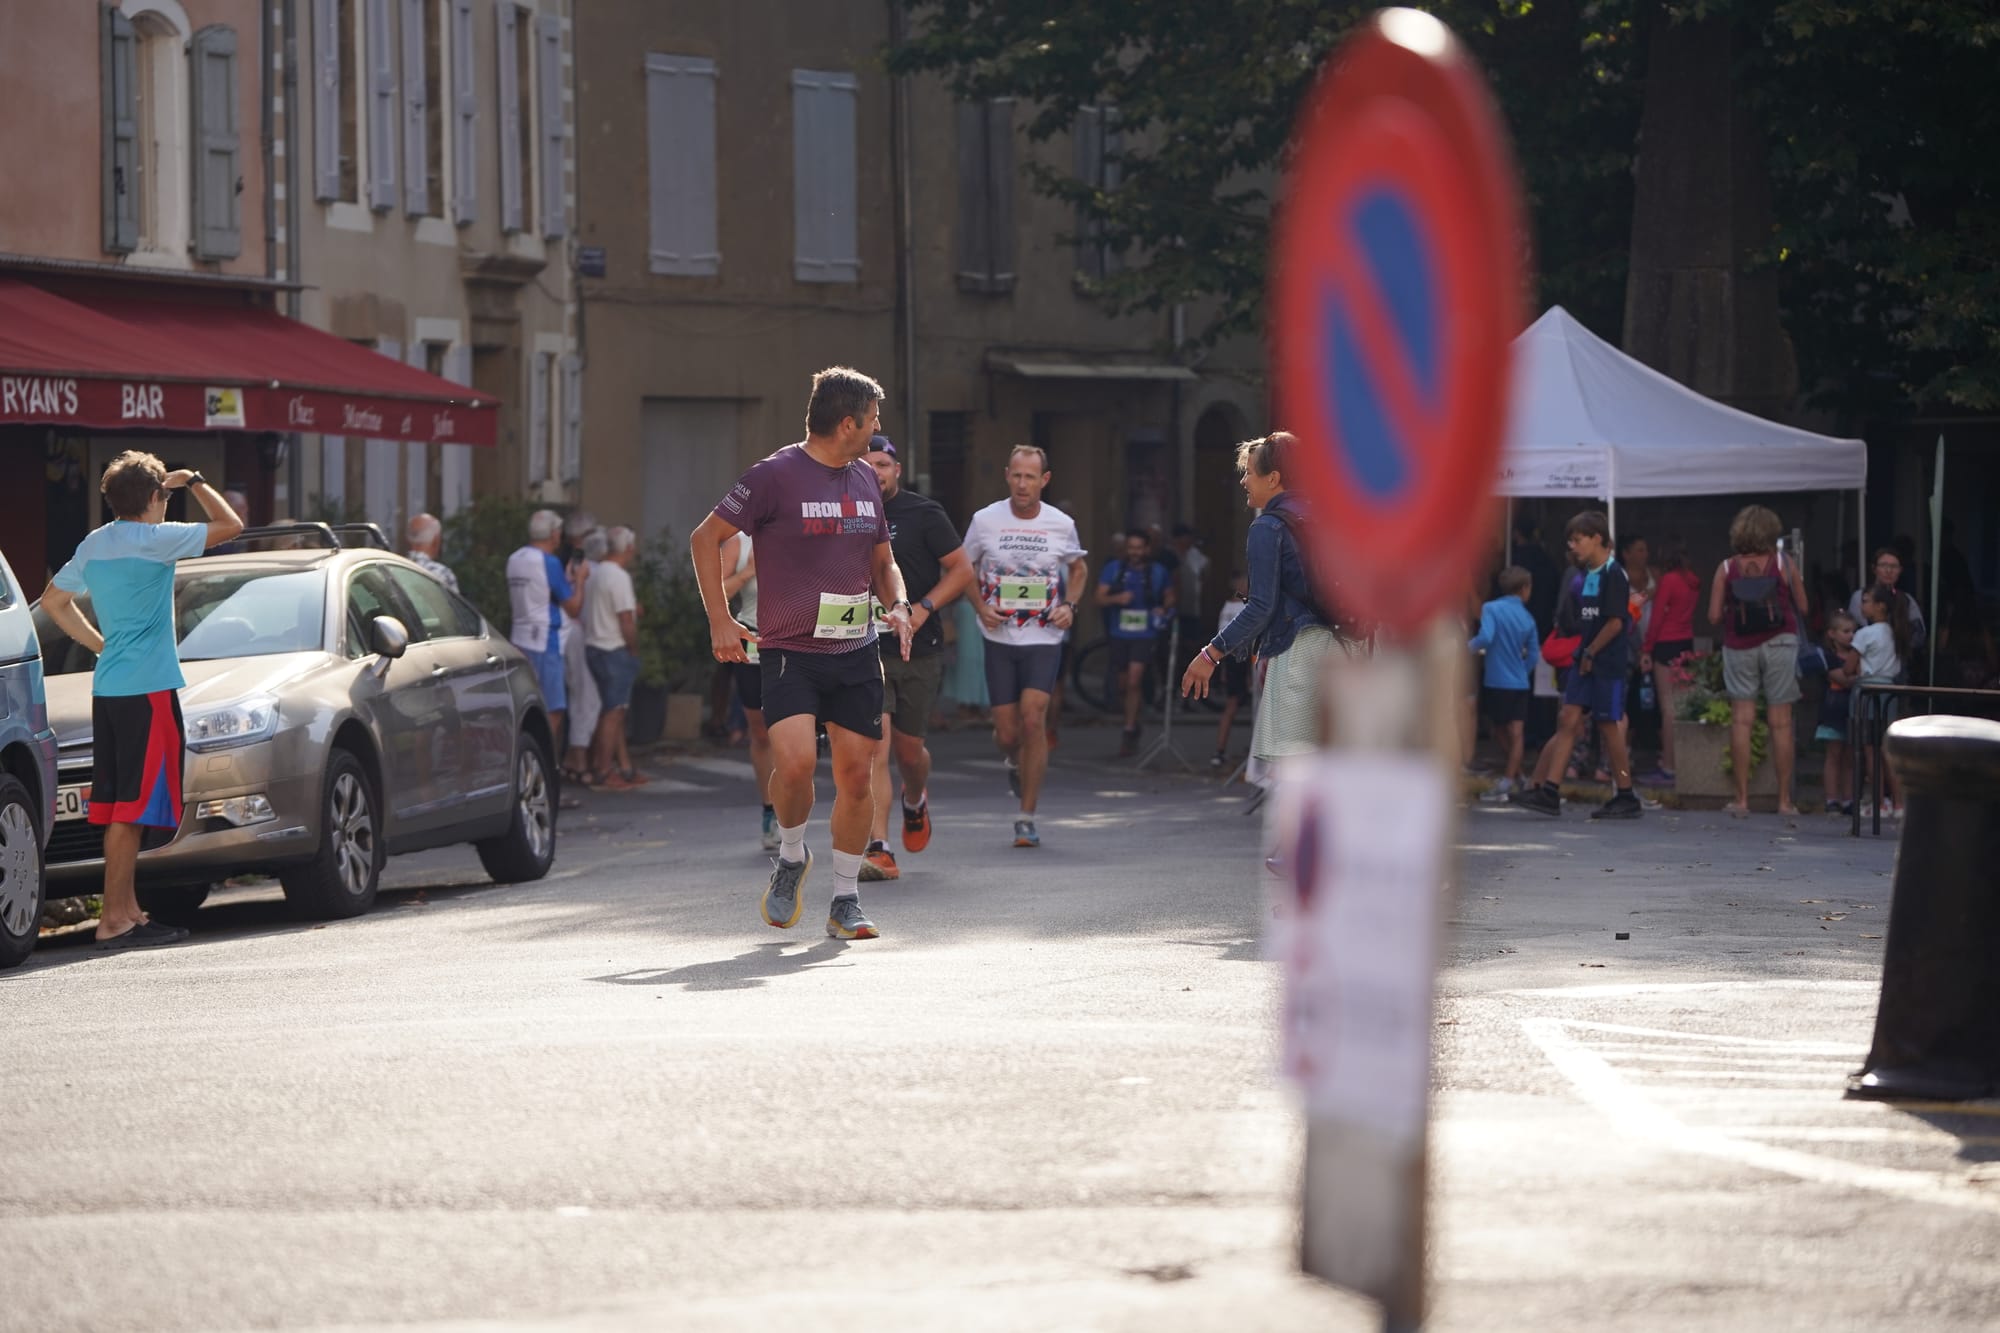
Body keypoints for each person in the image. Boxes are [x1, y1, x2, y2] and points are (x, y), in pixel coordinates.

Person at [690, 367, 913, 941]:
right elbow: (704, 538)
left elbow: (882, 561)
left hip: (857, 648)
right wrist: (721, 619)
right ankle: (791, 856)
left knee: (856, 779)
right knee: (791, 765)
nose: (878, 429)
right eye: (873, 420)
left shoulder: (865, 477)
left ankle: (845, 899)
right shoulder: (775, 476)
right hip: (790, 649)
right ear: (847, 423)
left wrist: (901, 603)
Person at [37, 452, 243, 948]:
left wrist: (99, 645)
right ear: (155, 498)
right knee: (129, 810)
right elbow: (230, 524)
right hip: (147, 691)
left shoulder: (94, 543)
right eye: (165, 498)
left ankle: (127, 912)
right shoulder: (157, 540)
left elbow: (51, 602)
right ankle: (113, 920)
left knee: (117, 806)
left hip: (109, 689)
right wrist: (193, 479)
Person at [1180, 432, 1354, 771]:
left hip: (1299, 651)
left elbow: (1261, 606)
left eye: (1249, 472)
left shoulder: (1268, 527)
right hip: (1348, 648)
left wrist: (1210, 654)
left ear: (1273, 478)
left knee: (1298, 773)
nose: (1244, 480)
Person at [852, 436, 974, 881]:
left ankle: (915, 797)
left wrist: (923, 608)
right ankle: (879, 847)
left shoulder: (924, 513)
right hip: (865, 647)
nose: (875, 472)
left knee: (909, 754)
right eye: (866, 465)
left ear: (897, 469)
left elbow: (962, 571)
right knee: (874, 749)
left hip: (918, 649)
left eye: (882, 464)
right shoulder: (848, 512)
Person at [961, 446, 1088, 849]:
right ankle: (1013, 759)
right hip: (999, 636)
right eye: (1016, 476)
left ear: (1044, 481)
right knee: (1007, 732)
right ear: (1007, 476)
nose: (1022, 484)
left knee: (1034, 721)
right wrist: (981, 608)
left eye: (1030, 477)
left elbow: (1079, 567)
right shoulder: (985, 521)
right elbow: (962, 570)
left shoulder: (1061, 524)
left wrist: (1070, 606)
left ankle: (1026, 816)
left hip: (1043, 636)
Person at [1515, 511, 1641, 819]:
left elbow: (1614, 623)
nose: (1573, 546)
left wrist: (1590, 652)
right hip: (1585, 659)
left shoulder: (1614, 574)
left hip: (1606, 662)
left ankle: (1626, 794)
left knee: (1609, 726)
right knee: (1568, 718)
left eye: (1578, 539)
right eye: (1570, 541)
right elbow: (1584, 620)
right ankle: (1550, 791)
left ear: (1597, 538)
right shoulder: (1585, 576)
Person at [1708, 504, 1809, 817]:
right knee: (1781, 722)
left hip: (1739, 646)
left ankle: (1741, 800)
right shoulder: (1783, 562)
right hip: (1780, 642)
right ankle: (1784, 802)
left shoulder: (1726, 568)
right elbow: (1803, 607)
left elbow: (1712, 616)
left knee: (1742, 721)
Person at [509, 509, 587, 777]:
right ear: (554, 534)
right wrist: (580, 580)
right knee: (553, 711)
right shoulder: (548, 562)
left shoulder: (515, 559)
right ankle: (546, 774)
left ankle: (529, 768)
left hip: (519, 636)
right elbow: (573, 607)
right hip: (544, 639)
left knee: (527, 706)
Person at [719, 529, 778, 851]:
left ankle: (793, 804)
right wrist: (748, 571)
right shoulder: (738, 543)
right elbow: (717, 593)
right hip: (752, 640)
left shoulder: (799, 527)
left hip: (794, 639)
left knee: (793, 725)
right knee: (761, 731)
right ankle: (770, 809)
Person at [1094, 530, 1176, 756]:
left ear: (1147, 549)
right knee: (1122, 684)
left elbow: (1170, 595)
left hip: (1145, 633)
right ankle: (1132, 718)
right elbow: (1098, 597)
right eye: (1131, 547)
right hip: (1119, 633)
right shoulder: (1114, 570)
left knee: (1134, 679)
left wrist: (1164, 607)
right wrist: (1116, 599)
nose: (1135, 552)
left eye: (1139, 548)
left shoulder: (1158, 572)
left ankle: (1129, 729)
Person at [584, 526, 644, 790]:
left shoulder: (597, 572)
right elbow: (625, 619)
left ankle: (622, 766)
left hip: (595, 646)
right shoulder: (618, 577)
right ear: (628, 548)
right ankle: (603, 770)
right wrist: (633, 648)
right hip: (613, 648)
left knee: (614, 709)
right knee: (614, 711)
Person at [1469, 566, 1537, 801]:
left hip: (1496, 680)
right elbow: (1534, 654)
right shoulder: (1528, 618)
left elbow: (1486, 637)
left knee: (1498, 728)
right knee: (1517, 732)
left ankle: (1510, 778)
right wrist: (1522, 671)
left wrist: (1467, 647)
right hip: (1519, 683)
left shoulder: (1491, 608)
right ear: (1525, 589)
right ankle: (1515, 776)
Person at [1639, 537, 1699, 782]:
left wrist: (1646, 649)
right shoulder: (1693, 581)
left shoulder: (1669, 581)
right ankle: (1683, 762)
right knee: (1681, 705)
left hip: (1665, 644)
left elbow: (1656, 619)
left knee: (1668, 708)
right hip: (1686, 642)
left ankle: (1668, 765)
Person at [1854, 582, 1913, 817]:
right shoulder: (1895, 633)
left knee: (1870, 749)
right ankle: (1899, 802)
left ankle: (1880, 802)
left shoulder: (1864, 634)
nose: (1862, 605)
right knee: (1887, 748)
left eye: (1866, 601)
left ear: (1880, 606)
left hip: (1868, 690)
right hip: (1889, 689)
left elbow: (1850, 666)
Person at [1798, 610, 1860, 816]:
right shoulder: (1826, 656)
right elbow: (1842, 678)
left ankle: (1849, 799)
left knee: (1850, 756)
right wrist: (1861, 677)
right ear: (1832, 634)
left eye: (1853, 631)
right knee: (1833, 754)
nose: (1851, 635)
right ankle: (1832, 798)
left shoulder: (1858, 654)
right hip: (1833, 708)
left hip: (1852, 709)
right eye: (1846, 631)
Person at [561, 527, 607, 786]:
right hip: (583, 636)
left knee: (576, 694)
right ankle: (578, 758)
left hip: (567, 634)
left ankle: (572, 756)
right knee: (587, 697)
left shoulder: (571, 567)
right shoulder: (596, 573)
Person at [1846, 548, 1927, 656]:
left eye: (1894, 566)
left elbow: (1919, 637)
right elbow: (1854, 632)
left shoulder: (1906, 599)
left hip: (1899, 663)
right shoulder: (1860, 597)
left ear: (1900, 570)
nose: (1889, 570)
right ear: (1874, 569)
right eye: (1883, 565)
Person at [1210, 572, 1251, 769]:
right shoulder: (1234, 607)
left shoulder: (1253, 605)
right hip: (1238, 660)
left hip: (1252, 659)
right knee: (1232, 704)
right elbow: (1222, 639)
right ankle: (1219, 749)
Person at [405, 511, 459, 593]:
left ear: (408, 539)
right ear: (436, 540)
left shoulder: (393, 567)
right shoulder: (443, 574)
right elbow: (453, 605)